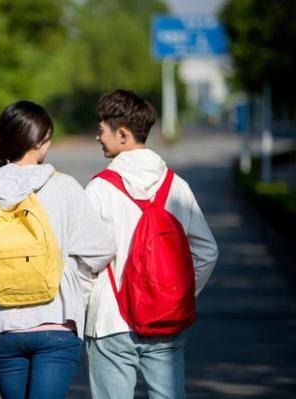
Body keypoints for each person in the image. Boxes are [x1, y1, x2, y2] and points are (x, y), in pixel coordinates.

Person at [0, 100, 116, 399]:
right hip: (56, 322)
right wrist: (72, 281)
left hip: (1, 326)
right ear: (40, 143)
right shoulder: (65, 187)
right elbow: (101, 249)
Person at [83, 89, 219, 399]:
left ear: (122, 135)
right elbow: (207, 251)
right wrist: (174, 293)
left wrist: (77, 312)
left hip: (109, 321)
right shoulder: (176, 185)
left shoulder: (99, 189)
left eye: (101, 130)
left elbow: (83, 261)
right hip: (165, 319)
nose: (97, 137)